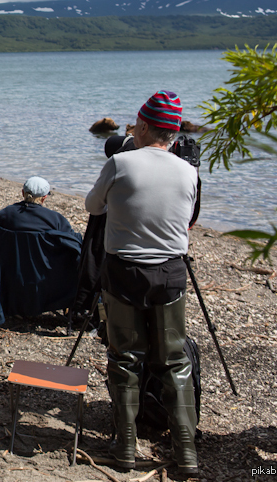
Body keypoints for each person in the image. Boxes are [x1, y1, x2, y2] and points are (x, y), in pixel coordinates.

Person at [85, 91, 199, 477]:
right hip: (170, 274)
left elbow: (92, 206)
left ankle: (126, 447)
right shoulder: (189, 171)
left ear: (145, 126)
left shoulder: (120, 162)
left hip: (124, 273)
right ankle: (186, 452)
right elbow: (190, 219)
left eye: (135, 125)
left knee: (124, 359)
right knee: (175, 361)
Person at [0, 176, 83, 329]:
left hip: (11, 280)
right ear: (44, 198)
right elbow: (73, 247)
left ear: (22, 193)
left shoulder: (6, 215)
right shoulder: (55, 219)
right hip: (47, 283)